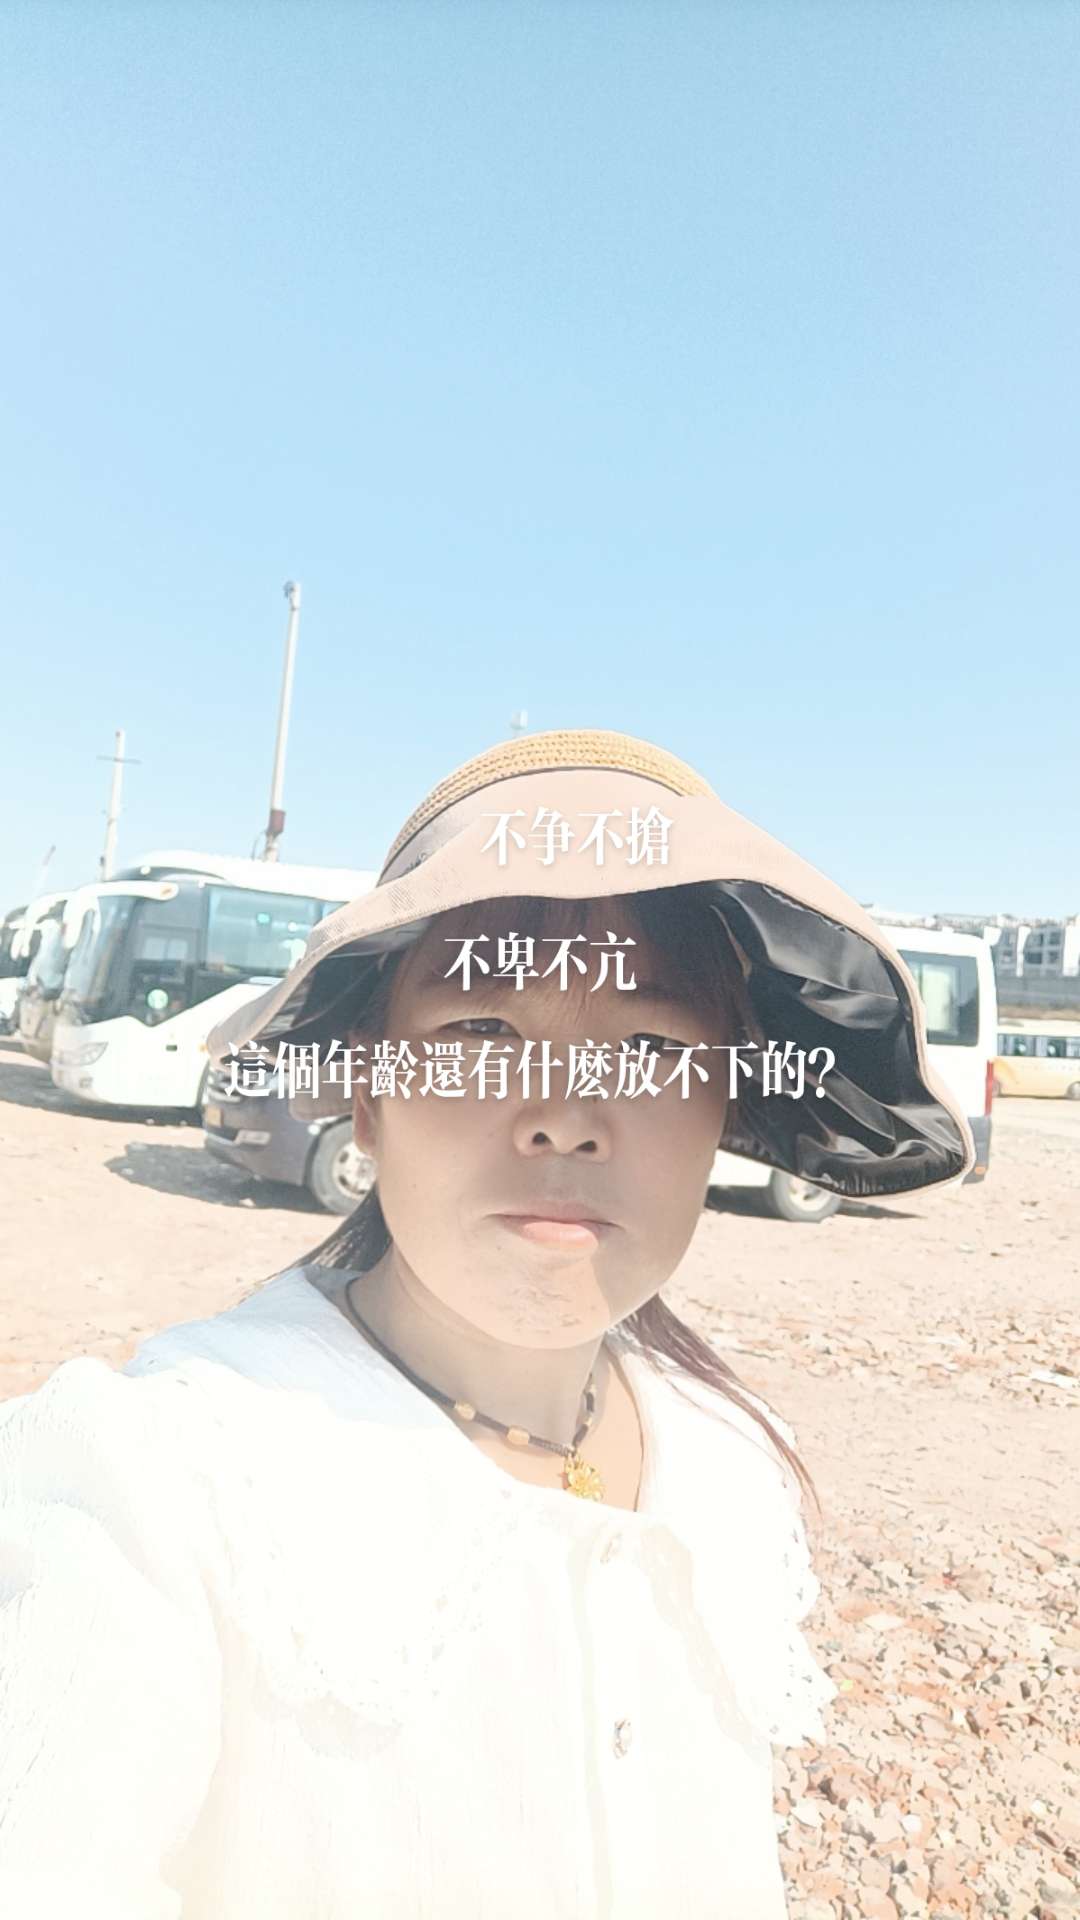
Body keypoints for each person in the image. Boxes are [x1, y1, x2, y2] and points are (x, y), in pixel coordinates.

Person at [0, 730, 973, 1919]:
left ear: (723, 1107)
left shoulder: (728, 1466)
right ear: (368, 1094)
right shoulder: (152, 1486)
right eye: (479, 1034)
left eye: (653, 1048)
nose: (565, 1117)